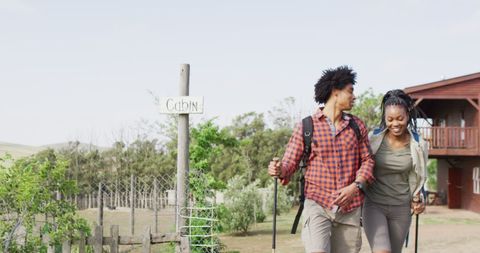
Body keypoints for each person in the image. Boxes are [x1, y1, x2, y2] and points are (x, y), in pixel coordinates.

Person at [268, 66, 375, 253]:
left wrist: (355, 186)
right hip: (317, 204)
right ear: (335, 92)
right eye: (350, 91)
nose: (354, 96)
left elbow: (368, 160)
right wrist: (279, 170)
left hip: (350, 208)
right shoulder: (306, 126)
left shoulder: (356, 126)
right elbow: (289, 163)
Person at [362, 89, 428, 253]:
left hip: (401, 208)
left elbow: (420, 176)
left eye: (400, 118)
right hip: (374, 204)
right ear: (385, 119)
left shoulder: (419, 144)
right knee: (382, 251)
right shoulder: (373, 139)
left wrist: (418, 198)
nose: (395, 124)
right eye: (390, 119)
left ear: (408, 116)